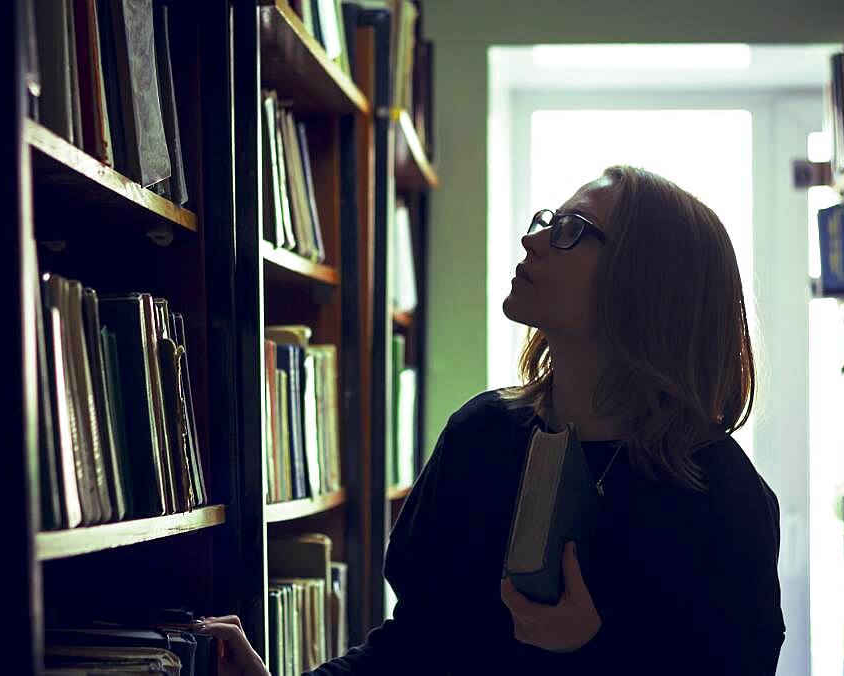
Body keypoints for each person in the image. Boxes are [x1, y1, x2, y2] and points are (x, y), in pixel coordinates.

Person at [198, 165, 786, 675]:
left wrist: (595, 653)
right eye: (546, 219)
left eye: (571, 231)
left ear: (649, 285)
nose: (533, 240)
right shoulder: (481, 435)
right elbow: (414, 650)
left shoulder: (721, 494)